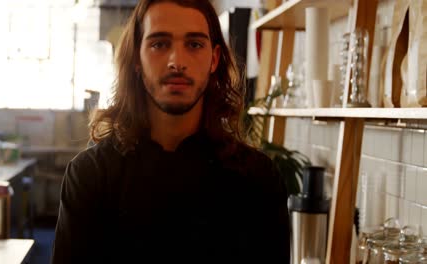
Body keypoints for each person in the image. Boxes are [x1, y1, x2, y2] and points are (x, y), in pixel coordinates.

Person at [52, 0, 290, 263]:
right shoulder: (91, 175)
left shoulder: (258, 179)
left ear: (214, 59)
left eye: (194, 44)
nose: (177, 61)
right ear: (136, 61)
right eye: (159, 44)